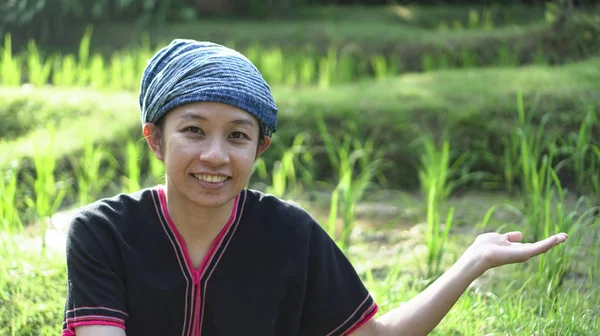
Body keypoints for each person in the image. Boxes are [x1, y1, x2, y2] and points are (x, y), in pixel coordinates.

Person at [62, 39, 568, 336]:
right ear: (155, 139)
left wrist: (472, 261)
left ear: (259, 148)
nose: (215, 155)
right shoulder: (103, 232)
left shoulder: (290, 233)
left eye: (238, 135)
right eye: (193, 130)